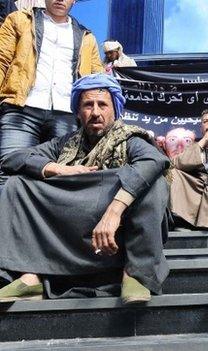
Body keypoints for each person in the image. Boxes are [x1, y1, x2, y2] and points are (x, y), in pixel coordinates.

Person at [0, 73, 170, 304]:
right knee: (17, 185)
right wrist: (58, 169)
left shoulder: (132, 140)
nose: (96, 112)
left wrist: (114, 211)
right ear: (78, 112)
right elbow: (12, 160)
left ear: (115, 110)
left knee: (154, 183)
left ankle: (136, 275)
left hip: (115, 224)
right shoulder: (64, 143)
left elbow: (154, 161)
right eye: (88, 105)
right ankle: (30, 277)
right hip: (75, 219)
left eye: (103, 105)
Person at [0, 0, 103, 187]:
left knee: (61, 179)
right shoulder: (19, 20)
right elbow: (1, 61)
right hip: (21, 109)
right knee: (9, 173)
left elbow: (97, 81)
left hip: (66, 115)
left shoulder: (87, 38)